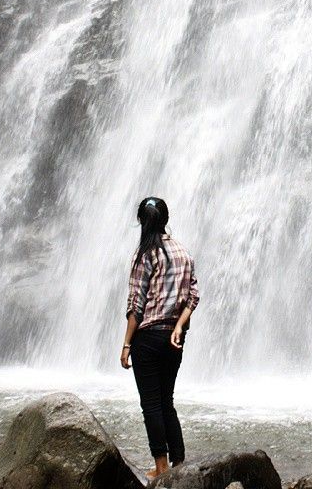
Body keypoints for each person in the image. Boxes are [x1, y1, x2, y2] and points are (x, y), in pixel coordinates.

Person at [120, 196, 200, 480]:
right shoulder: (183, 252)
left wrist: (127, 344)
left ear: (143, 222)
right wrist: (179, 326)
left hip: (148, 339)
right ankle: (179, 463)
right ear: (166, 220)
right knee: (167, 401)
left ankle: (162, 467)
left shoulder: (144, 255)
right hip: (174, 339)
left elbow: (136, 305)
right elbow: (193, 296)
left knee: (151, 404)